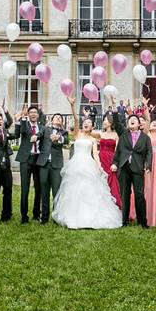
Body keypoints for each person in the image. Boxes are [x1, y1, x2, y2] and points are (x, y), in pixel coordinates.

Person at [51, 97, 122, 229]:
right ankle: (72, 216)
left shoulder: (93, 139)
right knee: (73, 189)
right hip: (75, 165)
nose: (86, 123)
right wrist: (72, 106)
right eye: (85, 121)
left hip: (88, 165)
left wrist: (100, 167)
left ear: (92, 126)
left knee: (88, 190)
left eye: (89, 122)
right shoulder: (77, 134)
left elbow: (95, 155)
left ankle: (88, 217)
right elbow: (76, 120)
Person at [111, 110, 153, 228]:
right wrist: (115, 110)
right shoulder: (123, 134)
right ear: (128, 123)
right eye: (130, 120)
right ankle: (124, 221)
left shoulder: (145, 138)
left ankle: (142, 221)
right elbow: (117, 124)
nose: (132, 120)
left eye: (135, 119)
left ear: (139, 124)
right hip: (124, 168)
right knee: (125, 195)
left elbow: (149, 152)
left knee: (139, 195)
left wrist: (148, 165)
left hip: (138, 168)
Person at [37, 112, 68, 224]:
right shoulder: (45, 129)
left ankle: (56, 217)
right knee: (44, 191)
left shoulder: (64, 132)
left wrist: (58, 138)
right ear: (52, 120)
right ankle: (44, 217)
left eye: (60, 118)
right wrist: (36, 137)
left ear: (61, 122)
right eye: (56, 117)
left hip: (56, 165)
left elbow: (66, 140)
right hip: (44, 164)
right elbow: (39, 134)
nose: (58, 119)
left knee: (56, 192)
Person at [15, 104, 43, 224]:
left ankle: (36, 214)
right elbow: (19, 132)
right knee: (25, 188)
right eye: (30, 112)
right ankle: (24, 216)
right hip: (26, 159)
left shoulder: (42, 127)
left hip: (38, 159)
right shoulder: (24, 125)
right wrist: (19, 120)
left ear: (38, 115)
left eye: (35, 112)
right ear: (28, 114)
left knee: (38, 188)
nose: (33, 114)